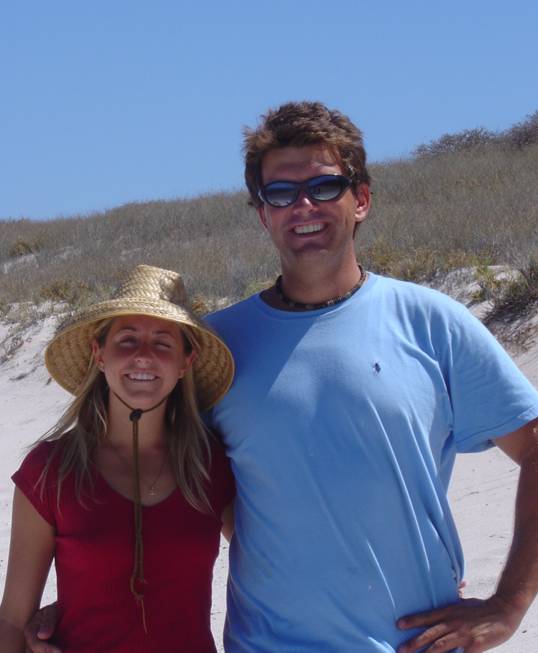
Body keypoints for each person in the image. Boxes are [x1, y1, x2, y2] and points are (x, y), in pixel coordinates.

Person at [25, 102, 538, 653]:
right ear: (262, 214)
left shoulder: (432, 322)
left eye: (324, 186)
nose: (303, 206)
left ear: (361, 199)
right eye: (281, 193)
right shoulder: (217, 349)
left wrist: (509, 604)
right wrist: (78, 603)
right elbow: (148, 485)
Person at [0, 264, 235, 653]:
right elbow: (12, 618)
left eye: (163, 343)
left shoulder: (210, 465)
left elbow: (268, 567)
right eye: (127, 340)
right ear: (99, 354)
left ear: (185, 362)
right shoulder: (50, 470)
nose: (143, 356)